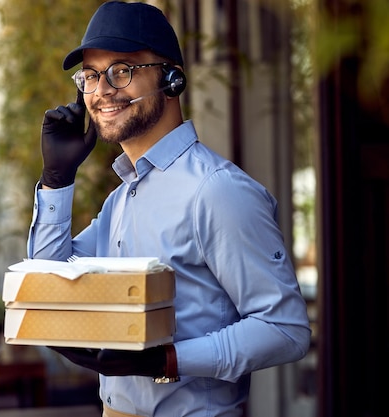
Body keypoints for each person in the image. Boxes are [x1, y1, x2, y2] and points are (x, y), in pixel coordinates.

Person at [28, 2, 311, 416]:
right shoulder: (120, 200)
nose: (102, 90)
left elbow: (285, 330)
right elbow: (48, 287)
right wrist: (57, 179)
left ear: (171, 79)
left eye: (121, 70)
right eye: (90, 76)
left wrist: (166, 360)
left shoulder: (216, 191)